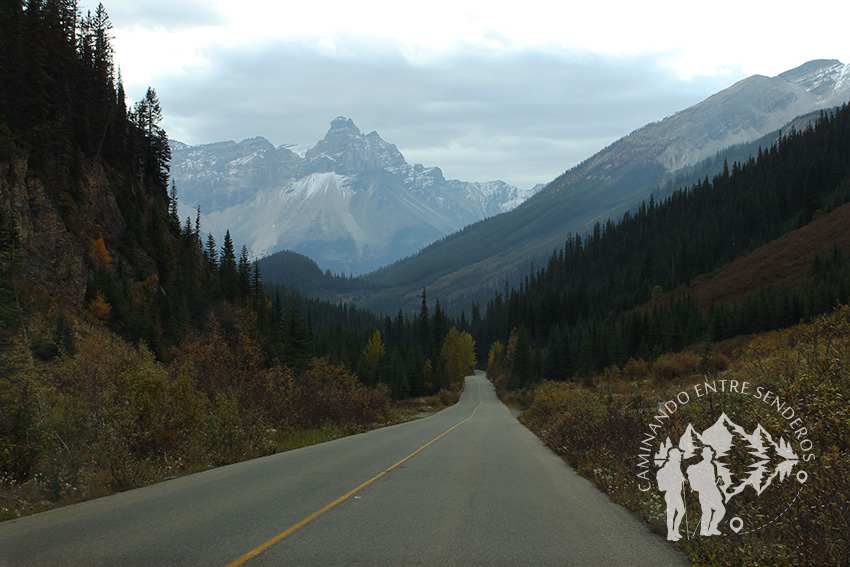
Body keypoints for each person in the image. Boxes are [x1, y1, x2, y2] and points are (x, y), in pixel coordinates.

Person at [686, 446, 725, 536]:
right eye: (707, 454)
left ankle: (708, 529)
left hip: (708, 492)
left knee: (713, 511)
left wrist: (717, 481)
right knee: (713, 511)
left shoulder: (708, 465)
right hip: (707, 492)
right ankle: (707, 530)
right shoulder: (705, 466)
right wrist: (717, 481)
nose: (709, 455)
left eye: (710, 454)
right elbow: (708, 482)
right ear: (703, 455)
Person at [656, 448, 685, 541]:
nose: (680, 456)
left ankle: (675, 531)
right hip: (671, 493)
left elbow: (680, 477)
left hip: (676, 493)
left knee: (681, 511)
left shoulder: (676, 466)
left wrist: (683, 480)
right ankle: (670, 533)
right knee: (671, 513)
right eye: (679, 455)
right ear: (674, 456)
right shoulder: (669, 466)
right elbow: (671, 478)